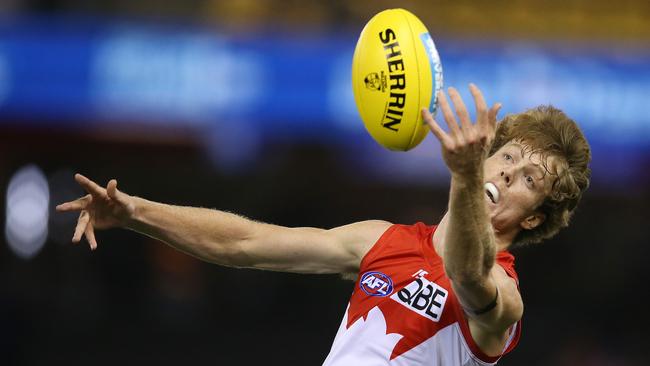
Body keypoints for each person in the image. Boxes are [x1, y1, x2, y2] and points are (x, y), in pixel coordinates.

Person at [56, 84, 591, 365]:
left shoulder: (505, 296)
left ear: (535, 216)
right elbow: (246, 242)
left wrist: (465, 176)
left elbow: (469, 276)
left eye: (530, 180)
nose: (509, 172)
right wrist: (136, 212)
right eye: (510, 156)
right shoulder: (382, 240)